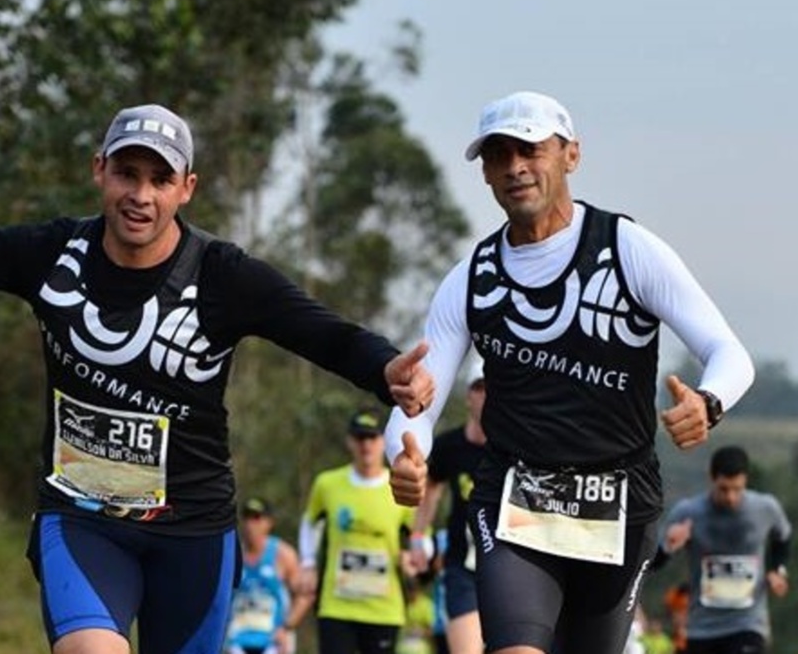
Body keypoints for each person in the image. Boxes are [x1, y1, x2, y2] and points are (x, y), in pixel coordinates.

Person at [0, 103, 434, 654]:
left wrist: (385, 368)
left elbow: (322, 333)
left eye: (161, 179)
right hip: (81, 516)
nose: (141, 196)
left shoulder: (222, 275)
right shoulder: (51, 253)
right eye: (127, 174)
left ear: (187, 188)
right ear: (98, 169)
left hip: (194, 532)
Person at [384, 90, 756, 654]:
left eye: (530, 150)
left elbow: (730, 354)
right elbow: (417, 404)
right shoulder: (471, 279)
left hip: (620, 504)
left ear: (571, 156)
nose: (515, 168)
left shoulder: (627, 250)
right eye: (499, 155)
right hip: (516, 500)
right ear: (484, 171)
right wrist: (405, 455)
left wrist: (707, 402)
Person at [298, 408, 417, 653]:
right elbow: (310, 522)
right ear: (349, 441)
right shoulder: (327, 484)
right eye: (360, 438)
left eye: (372, 438)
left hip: (384, 609)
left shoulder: (399, 487)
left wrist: (413, 559)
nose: (366, 446)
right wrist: (308, 563)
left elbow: (419, 537)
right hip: (337, 605)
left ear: (383, 441)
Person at [652, 446, 791, 654]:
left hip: (748, 624)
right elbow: (652, 562)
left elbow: (783, 537)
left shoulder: (765, 508)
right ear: (712, 478)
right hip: (702, 628)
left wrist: (777, 570)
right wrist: (669, 546)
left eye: (737, 489)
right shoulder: (688, 513)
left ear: (746, 479)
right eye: (724, 489)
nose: (731, 497)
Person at [408, 377, 487, 654]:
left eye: (492, 388)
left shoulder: (514, 447)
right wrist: (418, 535)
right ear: (469, 396)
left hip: (506, 566)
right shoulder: (448, 445)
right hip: (461, 565)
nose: (485, 396)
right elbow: (432, 488)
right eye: (479, 388)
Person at [226, 497, 311, 654]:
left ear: (269, 523)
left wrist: (287, 627)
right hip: (236, 641)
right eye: (247, 518)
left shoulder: (283, 555)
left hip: (273, 643)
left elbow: (305, 596)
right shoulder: (232, 555)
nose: (251, 525)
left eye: (257, 518)